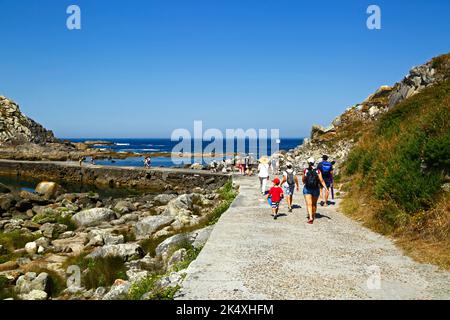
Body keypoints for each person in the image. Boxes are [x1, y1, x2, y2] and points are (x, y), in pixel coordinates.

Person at [302, 157, 328, 224]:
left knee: (309, 204)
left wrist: (305, 179)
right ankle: (313, 215)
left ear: (308, 163)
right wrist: (326, 188)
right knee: (314, 204)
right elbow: (321, 180)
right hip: (316, 189)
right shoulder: (318, 171)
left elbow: (303, 180)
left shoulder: (306, 170)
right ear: (314, 163)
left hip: (307, 188)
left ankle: (310, 217)